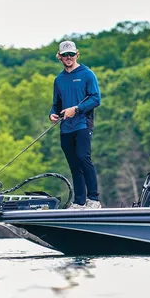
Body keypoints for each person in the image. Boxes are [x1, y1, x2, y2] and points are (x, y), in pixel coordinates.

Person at [49, 40, 102, 209]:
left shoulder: (87, 74)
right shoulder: (59, 80)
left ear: (77, 54)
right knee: (73, 164)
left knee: (83, 158)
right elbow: (56, 103)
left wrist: (77, 109)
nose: (68, 57)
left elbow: (95, 99)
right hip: (66, 128)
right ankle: (79, 201)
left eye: (71, 54)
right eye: (65, 55)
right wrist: (52, 113)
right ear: (59, 57)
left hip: (82, 124)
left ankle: (93, 199)